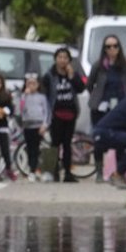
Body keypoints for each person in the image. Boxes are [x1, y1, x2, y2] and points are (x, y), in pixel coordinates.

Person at [88, 34, 126, 182]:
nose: (112, 49)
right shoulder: (99, 65)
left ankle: (119, 172)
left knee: (121, 140)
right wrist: (98, 97)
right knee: (99, 140)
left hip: (120, 107)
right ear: (104, 49)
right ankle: (100, 173)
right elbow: (89, 85)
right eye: (108, 46)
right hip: (101, 107)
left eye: (115, 46)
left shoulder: (125, 66)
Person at [42, 47, 86, 183]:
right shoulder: (49, 75)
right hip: (55, 113)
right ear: (55, 59)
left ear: (69, 60)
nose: (62, 60)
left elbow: (80, 89)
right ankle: (52, 172)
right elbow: (45, 94)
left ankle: (68, 172)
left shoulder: (72, 73)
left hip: (70, 113)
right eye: (59, 57)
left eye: (65, 58)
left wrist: (72, 76)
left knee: (67, 144)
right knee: (54, 143)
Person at [18, 73, 48, 182]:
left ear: (38, 85)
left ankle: (37, 170)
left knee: (37, 148)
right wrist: (24, 96)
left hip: (39, 125)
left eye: (34, 83)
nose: (31, 85)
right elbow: (20, 109)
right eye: (29, 83)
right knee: (30, 149)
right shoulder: (23, 96)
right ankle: (32, 170)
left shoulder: (42, 97)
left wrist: (44, 124)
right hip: (27, 125)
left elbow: (46, 111)